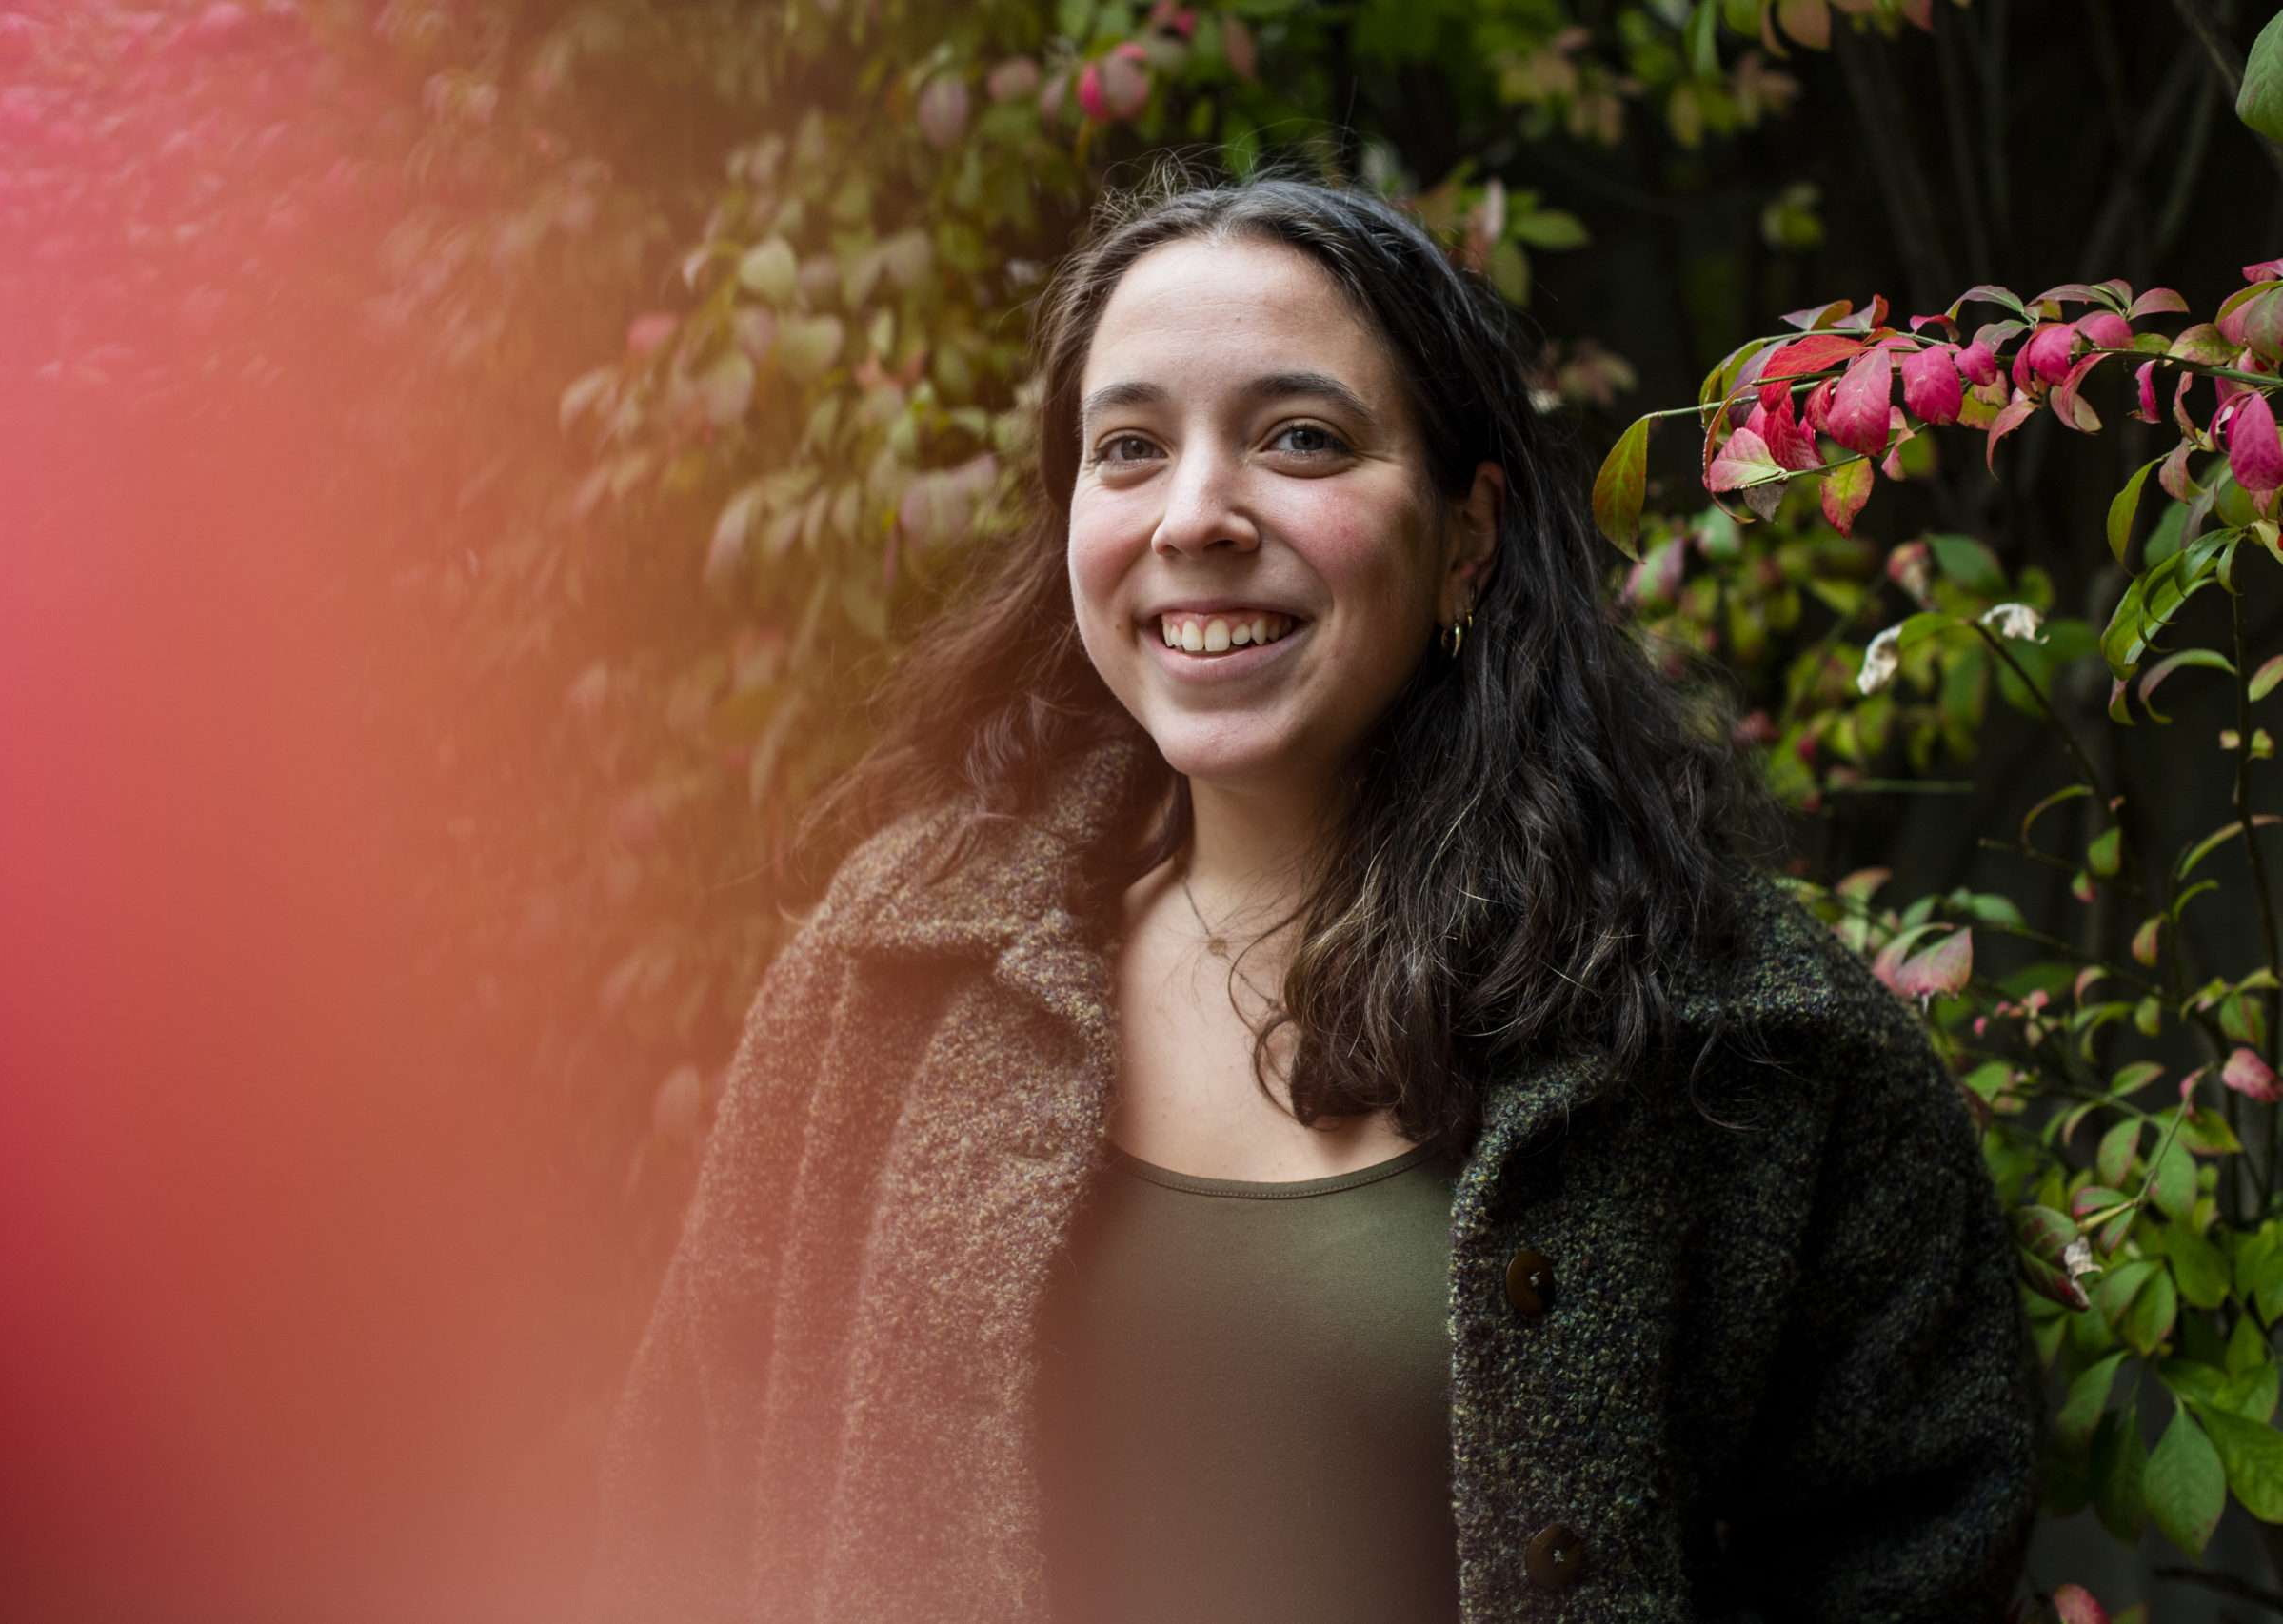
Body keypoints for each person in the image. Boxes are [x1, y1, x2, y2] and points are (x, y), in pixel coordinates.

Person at [587, 175, 2035, 1623]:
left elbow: (1922, 1554)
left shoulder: (1739, 1040)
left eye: (1299, 438)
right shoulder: (894, 965)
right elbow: (682, 1507)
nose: (1197, 514)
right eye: (1131, 447)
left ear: (1468, 534)